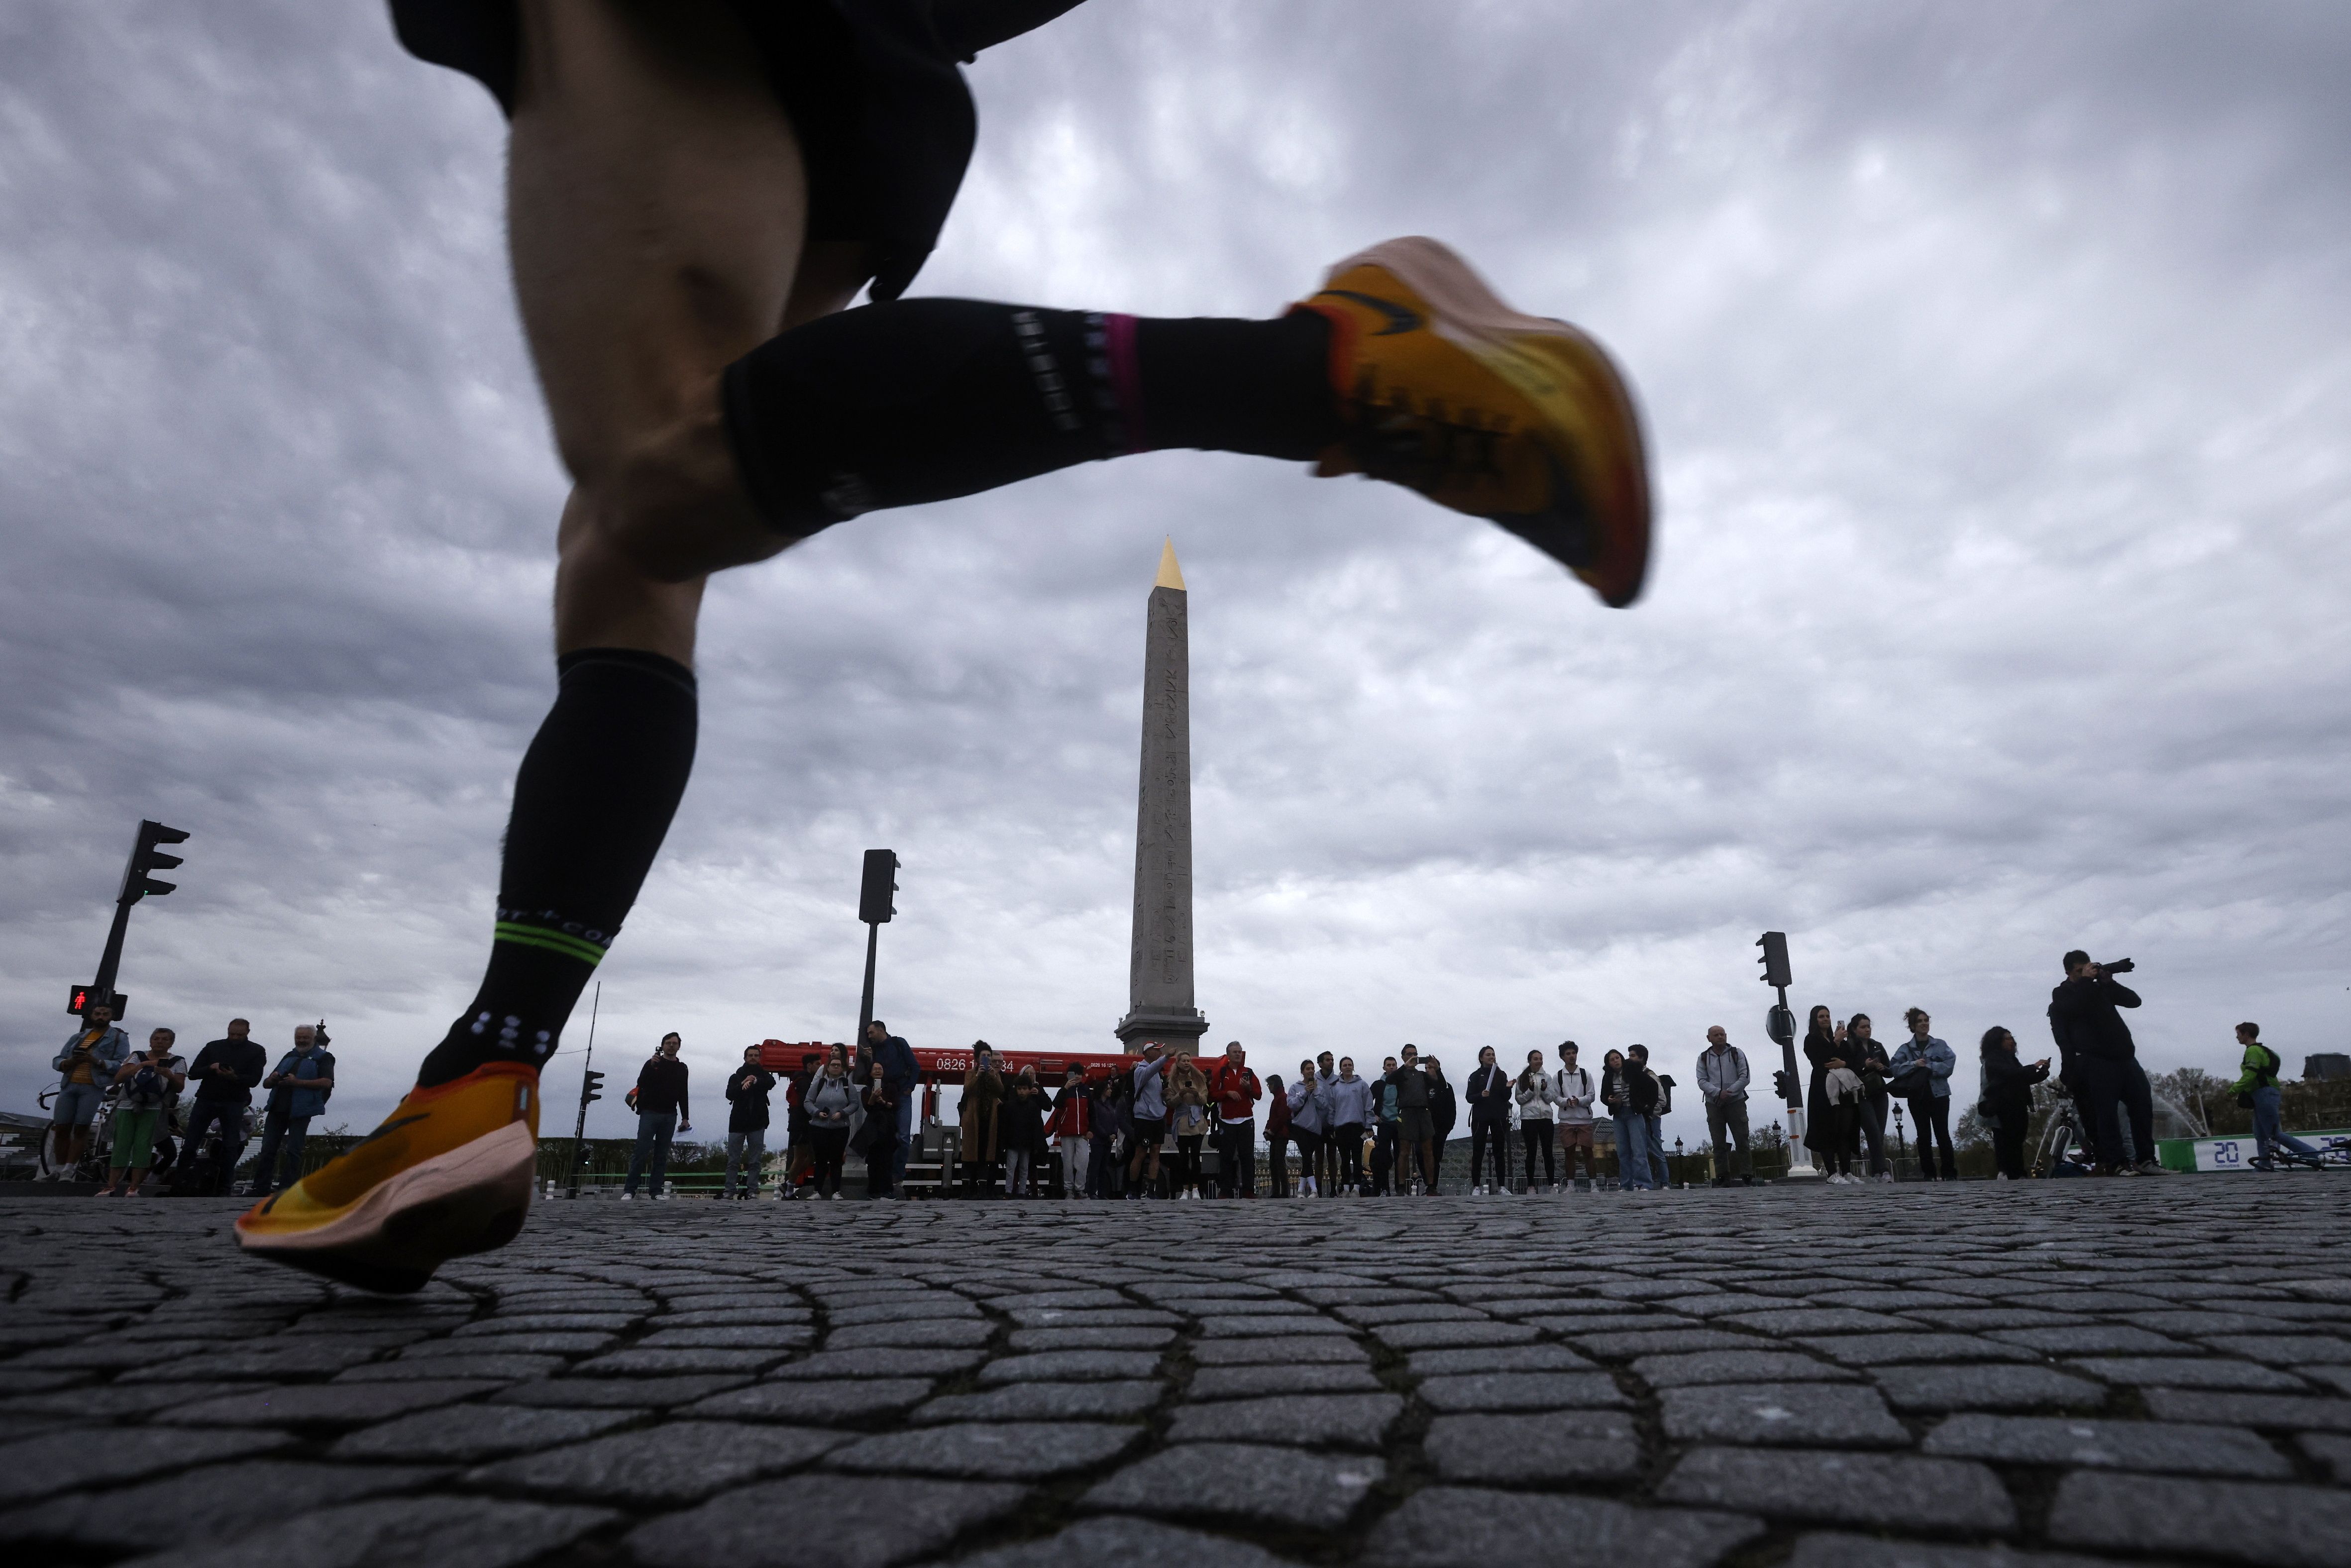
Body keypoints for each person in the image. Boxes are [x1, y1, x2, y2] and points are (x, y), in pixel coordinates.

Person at [236, 0, 1654, 1288]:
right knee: (626, 544)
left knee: (656, 472)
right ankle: (484, 1067)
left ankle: (1327, 371)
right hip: (864, 82)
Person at [2047, 953, 2159, 1177]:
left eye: (2086, 969)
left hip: (2125, 1056)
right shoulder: (2062, 994)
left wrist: (2110, 983)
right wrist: (2088, 982)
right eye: (2080, 971)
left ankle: (2146, 1160)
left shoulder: (2099, 988)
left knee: (2142, 1107)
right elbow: (2075, 1008)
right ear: (2068, 972)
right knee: (2106, 1114)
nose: (2085, 974)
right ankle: (2117, 1163)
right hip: (2096, 1060)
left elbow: (2134, 1001)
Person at [97, 1028, 187, 1198]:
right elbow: (119, 1078)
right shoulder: (137, 1056)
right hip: (127, 1103)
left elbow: (179, 1087)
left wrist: (169, 1075)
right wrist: (143, 1066)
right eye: (157, 1038)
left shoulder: (177, 1061)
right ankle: (111, 1186)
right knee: (121, 1144)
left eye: (165, 1039)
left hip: (154, 1106)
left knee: (143, 1146)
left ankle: (134, 1187)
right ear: (150, 1041)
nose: (160, 1042)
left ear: (171, 1043)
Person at [45, 1003, 131, 1181]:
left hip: (93, 1086)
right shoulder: (78, 1037)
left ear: (111, 1016)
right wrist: (66, 1063)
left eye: (105, 1014)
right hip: (69, 1085)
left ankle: (69, 1170)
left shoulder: (118, 1038)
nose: (101, 1016)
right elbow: (58, 1059)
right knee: (61, 1128)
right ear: (92, 1016)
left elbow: (123, 1063)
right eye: (98, 1013)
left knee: (82, 1127)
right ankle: (58, 1168)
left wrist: (97, 1061)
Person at [250, 1024, 337, 1197]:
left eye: (305, 1037)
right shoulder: (289, 1056)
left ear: (314, 1039)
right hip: (277, 1108)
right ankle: (260, 1188)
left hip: (301, 1110)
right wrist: (273, 1078)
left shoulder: (325, 1058)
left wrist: (298, 1083)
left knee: (294, 1150)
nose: (301, 1040)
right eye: (299, 1037)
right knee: (268, 1149)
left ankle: (286, 1190)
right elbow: (266, 1084)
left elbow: (327, 1082)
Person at [182, 1019, 267, 1195]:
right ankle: (181, 1184)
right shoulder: (213, 1047)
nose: (235, 1037)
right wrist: (211, 1068)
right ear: (228, 1030)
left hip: (234, 1101)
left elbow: (254, 1080)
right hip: (207, 1097)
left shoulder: (256, 1051)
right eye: (232, 1034)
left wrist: (234, 1077)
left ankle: (225, 1188)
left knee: (230, 1146)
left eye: (240, 1035)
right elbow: (193, 1073)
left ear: (248, 1033)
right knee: (191, 1143)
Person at [2233, 1022, 2321, 1171]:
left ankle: (2314, 1157)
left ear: (2247, 1035)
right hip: (2263, 1095)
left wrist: (2233, 1090)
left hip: (2264, 1094)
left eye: (2239, 1034)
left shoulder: (2253, 1051)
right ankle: (2264, 1165)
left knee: (2275, 1134)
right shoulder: (2262, 1050)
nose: (2237, 1037)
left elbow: (2250, 1075)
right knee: (2260, 1135)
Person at [1888, 1008, 1957, 1182]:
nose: (1924, 1024)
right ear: (1913, 1026)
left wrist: (1930, 1067)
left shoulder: (1940, 1045)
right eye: (1920, 1021)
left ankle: (1949, 1172)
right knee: (1923, 1135)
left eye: (1926, 1020)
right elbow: (1894, 1068)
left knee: (1943, 1133)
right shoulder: (1906, 1049)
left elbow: (1950, 1065)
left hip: (1939, 1094)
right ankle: (1929, 1173)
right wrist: (1914, 1064)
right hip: (1917, 1096)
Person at [622, 1032, 691, 1199]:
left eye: (675, 1043)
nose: (672, 1046)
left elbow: (683, 1093)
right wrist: (651, 1067)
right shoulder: (653, 1063)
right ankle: (630, 1190)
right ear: (663, 1045)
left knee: (662, 1155)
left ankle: (656, 1191)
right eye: (668, 1043)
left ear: (679, 1046)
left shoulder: (683, 1068)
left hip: (669, 1114)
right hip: (650, 1112)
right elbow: (642, 1082)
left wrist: (685, 1117)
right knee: (641, 1151)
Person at [1979, 1027, 2048, 1180]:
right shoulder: (1993, 1060)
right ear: (1998, 1041)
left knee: (2018, 1139)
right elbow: (2012, 1075)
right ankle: (2012, 1172)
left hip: (2018, 1102)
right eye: (2007, 1038)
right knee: (2009, 1140)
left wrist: (2042, 1073)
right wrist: (2033, 1067)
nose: (2011, 1041)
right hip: (2005, 1104)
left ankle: (2017, 1171)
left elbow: (2022, 1078)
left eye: (2011, 1038)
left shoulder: (2011, 1059)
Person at [860, 1020, 917, 1199]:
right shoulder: (875, 1051)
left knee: (902, 1136)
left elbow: (915, 1067)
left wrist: (910, 1087)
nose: (869, 1037)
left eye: (871, 1033)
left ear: (880, 1030)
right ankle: (884, 1179)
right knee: (884, 1138)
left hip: (901, 1093)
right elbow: (874, 1072)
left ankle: (897, 1174)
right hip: (885, 1094)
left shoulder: (899, 1044)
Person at [1696, 1026, 1752, 1187]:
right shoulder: (1703, 1058)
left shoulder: (1737, 1053)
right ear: (1709, 1038)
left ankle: (1747, 1174)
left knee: (1742, 1138)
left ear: (1726, 1036)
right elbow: (1701, 1080)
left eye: (1722, 1034)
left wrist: (1729, 1092)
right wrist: (1717, 1093)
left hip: (1736, 1102)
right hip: (1714, 1104)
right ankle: (1722, 1176)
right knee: (1718, 1141)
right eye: (1716, 1035)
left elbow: (1745, 1076)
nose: (1720, 1037)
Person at [803, 1044, 857, 1199]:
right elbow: (808, 1101)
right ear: (828, 1067)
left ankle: (836, 1191)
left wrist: (843, 1113)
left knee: (836, 1160)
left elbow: (854, 1103)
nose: (835, 1067)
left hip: (839, 1128)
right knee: (820, 1160)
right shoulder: (819, 1084)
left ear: (842, 1068)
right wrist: (816, 1113)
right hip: (819, 1127)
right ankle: (817, 1191)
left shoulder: (847, 1085)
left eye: (838, 1066)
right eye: (833, 1065)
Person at [722, 1045, 776, 1198]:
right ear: (745, 1058)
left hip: (757, 1123)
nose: (753, 1058)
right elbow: (729, 1095)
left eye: (756, 1056)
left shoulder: (765, 1076)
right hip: (738, 1123)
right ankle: (729, 1190)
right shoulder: (736, 1076)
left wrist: (755, 1081)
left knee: (755, 1161)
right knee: (733, 1160)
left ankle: (752, 1190)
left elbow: (771, 1084)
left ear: (759, 1058)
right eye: (750, 1055)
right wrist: (743, 1083)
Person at [1210, 1043, 1261, 1198]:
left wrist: (1248, 1089)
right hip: (1227, 1120)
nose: (1238, 1054)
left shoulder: (1249, 1073)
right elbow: (1212, 1094)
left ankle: (1248, 1190)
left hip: (1246, 1120)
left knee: (1247, 1157)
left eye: (1240, 1052)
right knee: (1226, 1156)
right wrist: (1227, 1093)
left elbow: (1258, 1095)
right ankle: (1226, 1190)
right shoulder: (1221, 1072)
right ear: (1228, 1055)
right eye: (1235, 1052)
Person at [1386, 1046, 1437, 1195]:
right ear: (1403, 1057)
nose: (1413, 1057)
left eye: (1415, 1054)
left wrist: (1437, 1069)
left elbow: (1437, 1084)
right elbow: (1390, 1080)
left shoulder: (1422, 1075)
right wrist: (1404, 1066)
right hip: (1407, 1113)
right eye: (1410, 1054)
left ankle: (1431, 1186)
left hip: (1423, 1112)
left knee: (1428, 1151)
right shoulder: (1400, 1074)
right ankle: (1401, 1187)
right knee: (1404, 1151)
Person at [1800, 1006, 1843, 1176]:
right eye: (1821, 1017)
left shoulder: (1834, 1038)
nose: (1826, 1019)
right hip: (1822, 1084)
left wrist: (1843, 1060)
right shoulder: (1811, 1039)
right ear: (1815, 1020)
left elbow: (1844, 1057)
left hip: (1840, 1083)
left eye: (1828, 1016)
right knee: (1825, 1127)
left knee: (1841, 1127)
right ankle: (1832, 1173)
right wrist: (1837, 1042)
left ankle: (1846, 1171)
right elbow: (1822, 1059)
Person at [1463, 1046, 1513, 1195]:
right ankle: (1476, 1187)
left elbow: (1506, 1098)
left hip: (1498, 1116)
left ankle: (1502, 1187)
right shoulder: (1475, 1076)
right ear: (1481, 1058)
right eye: (1488, 1055)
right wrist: (1481, 1095)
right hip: (1480, 1117)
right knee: (1478, 1152)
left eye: (1493, 1054)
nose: (1492, 1057)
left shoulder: (1501, 1074)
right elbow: (1469, 1097)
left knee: (1499, 1152)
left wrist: (1508, 1088)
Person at [959, 1043, 1006, 1196]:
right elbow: (967, 1090)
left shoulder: (994, 1074)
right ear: (977, 1058)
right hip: (973, 1119)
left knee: (986, 1154)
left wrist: (993, 1076)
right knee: (970, 1155)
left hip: (988, 1119)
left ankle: (983, 1190)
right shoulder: (970, 1073)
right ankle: (966, 1190)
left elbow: (1001, 1090)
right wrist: (979, 1075)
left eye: (988, 1056)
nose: (987, 1058)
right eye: (983, 1056)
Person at [1126, 1043, 1170, 1199]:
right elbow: (1150, 1070)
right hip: (1144, 1118)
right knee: (1140, 1153)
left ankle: (1151, 1190)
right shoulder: (1141, 1070)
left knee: (1156, 1153)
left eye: (1161, 1050)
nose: (1160, 1052)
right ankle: (1132, 1190)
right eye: (1157, 1050)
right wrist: (1167, 1057)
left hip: (1158, 1118)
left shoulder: (1159, 1073)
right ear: (1148, 1052)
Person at [1165, 1051, 1211, 1199]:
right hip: (1182, 1122)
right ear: (1178, 1063)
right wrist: (1181, 1094)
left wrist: (1197, 1094)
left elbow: (1205, 1099)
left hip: (1197, 1121)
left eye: (1188, 1060)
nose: (1186, 1063)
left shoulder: (1199, 1079)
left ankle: (1196, 1188)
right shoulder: (1172, 1081)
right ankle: (1185, 1189)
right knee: (1183, 1158)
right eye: (1184, 1060)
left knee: (1196, 1156)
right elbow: (1170, 1102)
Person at [1553, 1042, 1599, 1190]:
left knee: (1588, 1152)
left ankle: (1594, 1184)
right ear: (1562, 1057)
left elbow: (1591, 1096)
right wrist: (1566, 1102)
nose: (1572, 1056)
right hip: (1567, 1120)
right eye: (1568, 1054)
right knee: (1569, 1153)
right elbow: (1555, 1097)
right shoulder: (1558, 1076)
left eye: (1573, 1053)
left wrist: (1579, 1101)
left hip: (1584, 1119)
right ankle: (1570, 1185)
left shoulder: (1586, 1074)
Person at [1325, 1055, 1372, 1197]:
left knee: (1357, 1159)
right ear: (1340, 1068)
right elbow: (1332, 1108)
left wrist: (1368, 1125)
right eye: (1344, 1065)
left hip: (1357, 1126)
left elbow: (1368, 1106)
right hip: (1341, 1128)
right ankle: (1345, 1188)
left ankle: (1356, 1188)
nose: (1347, 1067)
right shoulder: (1335, 1086)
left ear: (1353, 1067)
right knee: (1344, 1160)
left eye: (1349, 1065)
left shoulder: (1362, 1085)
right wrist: (1331, 1126)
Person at [1046, 1065, 1094, 1199]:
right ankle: (1069, 1190)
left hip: (1083, 1133)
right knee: (1067, 1162)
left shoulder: (1086, 1091)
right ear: (1069, 1075)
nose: (1077, 1076)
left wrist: (1091, 1129)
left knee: (1083, 1162)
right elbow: (1056, 1104)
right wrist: (1065, 1088)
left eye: (1080, 1074)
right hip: (1067, 1132)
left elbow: (1092, 1112)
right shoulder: (1065, 1090)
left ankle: (1080, 1189)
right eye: (1075, 1074)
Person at [1513, 1048, 1557, 1194]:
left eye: (1540, 1059)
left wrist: (1544, 1090)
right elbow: (1519, 1099)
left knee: (1548, 1152)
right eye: (1536, 1059)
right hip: (1529, 1118)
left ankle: (1552, 1185)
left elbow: (1550, 1099)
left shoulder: (1548, 1077)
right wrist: (1531, 1090)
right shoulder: (1522, 1078)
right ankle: (1531, 1186)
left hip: (1545, 1117)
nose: (1539, 1061)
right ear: (1530, 1061)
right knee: (1531, 1152)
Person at [1627, 1044, 1671, 1189]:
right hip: (1640, 1118)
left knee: (1656, 1150)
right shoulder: (1633, 1076)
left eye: (1633, 1056)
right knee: (1640, 1151)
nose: (1630, 1058)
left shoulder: (1651, 1076)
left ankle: (1665, 1183)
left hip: (1651, 1119)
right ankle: (1644, 1182)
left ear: (1642, 1058)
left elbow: (1662, 1099)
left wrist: (1652, 1113)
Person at [1855, 1026, 1895, 1183]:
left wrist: (1882, 1067)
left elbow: (1890, 1072)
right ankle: (1883, 1170)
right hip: (1862, 1093)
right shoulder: (1851, 1047)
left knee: (1878, 1133)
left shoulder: (1877, 1046)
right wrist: (1865, 1066)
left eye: (1869, 1026)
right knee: (1872, 1130)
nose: (1867, 1030)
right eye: (1863, 1027)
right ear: (1855, 1029)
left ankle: (1877, 1171)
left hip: (1879, 1092)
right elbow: (1850, 1069)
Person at [1600, 1047, 1643, 1190]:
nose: (1616, 1061)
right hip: (1618, 1114)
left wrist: (1645, 1105)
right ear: (1609, 1063)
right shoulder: (1608, 1076)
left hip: (1634, 1112)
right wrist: (1609, 1099)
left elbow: (1650, 1087)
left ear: (1622, 1059)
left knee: (1638, 1151)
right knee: (1623, 1152)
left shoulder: (1633, 1070)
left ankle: (1643, 1184)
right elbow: (1603, 1097)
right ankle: (1626, 1185)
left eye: (1617, 1058)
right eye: (1612, 1060)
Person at [1001, 1066, 1047, 1197]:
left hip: (1026, 1144)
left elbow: (1036, 1127)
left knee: (1024, 1169)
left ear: (1029, 1089)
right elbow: (1006, 1125)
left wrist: (1036, 1144)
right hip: (1013, 1143)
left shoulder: (1033, 1106)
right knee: (1011, 1168)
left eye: (1024, 1089)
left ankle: (1021, 1191)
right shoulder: (1010, 1105)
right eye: (1020, 1089)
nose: (1022, 1092)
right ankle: (1009, 1191)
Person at [1284, 1061, 1328, 1198]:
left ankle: (1300, 1190)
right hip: (1300, 1127)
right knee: (1306, 1156)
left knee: (1308, 1159)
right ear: (1302, 1071)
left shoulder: (1319, 1088)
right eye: (1308, 1069)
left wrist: (1315, 1092)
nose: (1311, 1071)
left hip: (1315, 1128)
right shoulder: (1295, 1087)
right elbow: (1292, 1105)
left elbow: (1324, 1106)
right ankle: (1314, 1190)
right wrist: (1305, 1092)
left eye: (1312, 1069)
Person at [1369, 1055, 1402, 1196]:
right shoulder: (1378, 1084)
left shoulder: (1402, 1083)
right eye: (1389, 1065)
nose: (1391, 1067)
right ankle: (1384, 1188)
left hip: (1400, 1123)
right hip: (1384, 1124)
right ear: (1384, 1068)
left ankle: (1400, 1188)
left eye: (1394, 1065)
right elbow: (1366, 1101)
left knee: (1401, 1156)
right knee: (1383, 1156)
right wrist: (1373, 1116)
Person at [1426, 1055, 1457, 1191]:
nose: (1428, 1070)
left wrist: (1448, 1127)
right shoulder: (1424, 1086)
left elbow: (1452, 1108)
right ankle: (1428, 1183)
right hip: (1424, 1127)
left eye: (1431, 1068)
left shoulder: (1446, 1086)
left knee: (1436, 1157)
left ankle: (1433, 1186)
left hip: (1440, 1129)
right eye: (1426, 1068)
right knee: (1423, 1156)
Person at [1264, 1071, 1293, 1198]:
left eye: (1270, 1084)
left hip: (1280, 1134)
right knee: (1275, 1162)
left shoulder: (1281, 1098)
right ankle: (1278, 1191)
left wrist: (1270, 1130)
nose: (1269, 1087)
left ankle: (1282, 1191)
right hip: (1278, 1134)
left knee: (1278, 1162)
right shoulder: (1279, 1098)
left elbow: (1281, 1117)